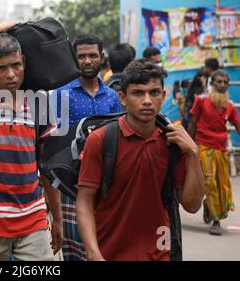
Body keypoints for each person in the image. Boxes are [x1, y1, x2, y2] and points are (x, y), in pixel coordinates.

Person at [76, 58, 205, 261]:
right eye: (138, 93)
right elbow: (84, 201)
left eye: (154, 92)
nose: (147, 100)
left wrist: (193, 153)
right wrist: (92, 252)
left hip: (160, 251)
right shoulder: (100, 140)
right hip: (110, 251)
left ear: (163, 96)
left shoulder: (173, 143)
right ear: (122, 98)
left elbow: (192, 205)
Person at [0, 22, 63, 261]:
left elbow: (46, 168)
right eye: (1, 68)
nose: (11, 74)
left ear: (24, 62)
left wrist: (56, 219)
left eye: (16, 65)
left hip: (32, 218)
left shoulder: (40, 104)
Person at [51, 34, 122, 261]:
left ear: (102, 58)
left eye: (93, 55)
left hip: (107, 183)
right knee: (74, 250)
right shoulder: (61, 94)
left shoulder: (112, 96)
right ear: (74, 59)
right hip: (72, 184)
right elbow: (52, 143)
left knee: (104, 244)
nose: (88, 61)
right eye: (81, 56)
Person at [188, 70, 240, 235]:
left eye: (225, 82)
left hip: (221, 150)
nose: (222, 85)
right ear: (212, 83)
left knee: (221, 186)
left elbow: (238, 125)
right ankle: (216, 221)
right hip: (203, 148)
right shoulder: (201, 100)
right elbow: (192, 123)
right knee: (209, 183)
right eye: (219, 82)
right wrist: (187, 145)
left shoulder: (230, 106)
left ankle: (209, 208)